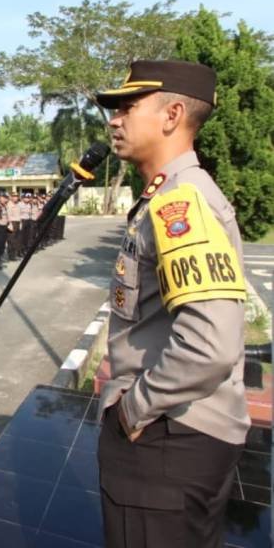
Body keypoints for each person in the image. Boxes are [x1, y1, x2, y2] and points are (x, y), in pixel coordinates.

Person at [95, 60, 249, 547]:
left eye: (127, 107)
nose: (113, 120)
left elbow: (210, 346)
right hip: (174, 436)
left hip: (167, 436)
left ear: (172, 114)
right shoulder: (168, 195)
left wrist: (133, 409)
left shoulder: (181, 203)